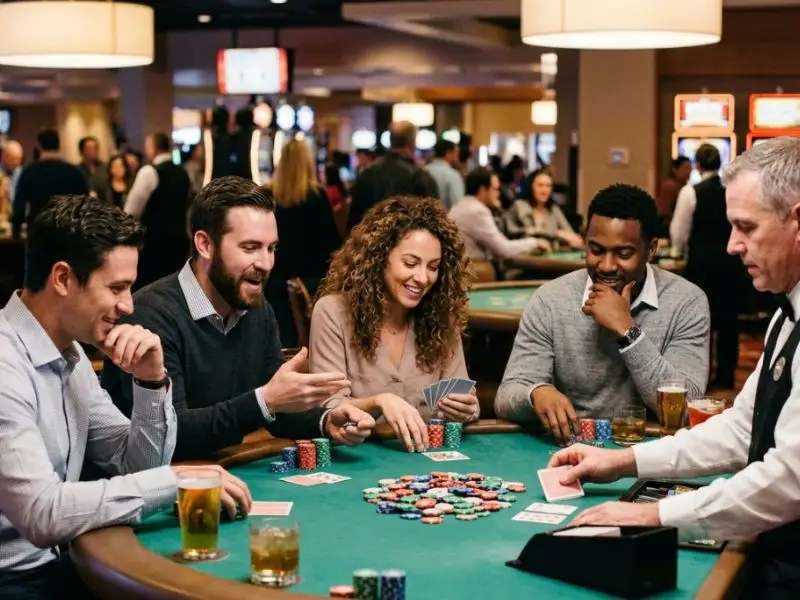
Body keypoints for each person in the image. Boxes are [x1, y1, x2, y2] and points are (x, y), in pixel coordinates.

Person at [548, 137, 800, 599]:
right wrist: (623, 462)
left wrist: (651, 515)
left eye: (746, 227)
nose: (731, 246)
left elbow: (790, 480)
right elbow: (742, 429)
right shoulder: (788, 313)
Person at [0, 195, 250, 599]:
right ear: (62, 279)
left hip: (60, 565)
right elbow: (41, 513)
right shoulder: (4, 363)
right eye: (116, 287)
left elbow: (136, 465)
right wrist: (178, 479)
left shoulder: (71, 353)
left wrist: (151, 382)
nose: (128, 305)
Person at [102, 176, 374, 461]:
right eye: (250, 247)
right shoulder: (149, 315)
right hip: (161, 488)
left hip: (226, 472)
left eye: (271, 248)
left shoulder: (257, 308)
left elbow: (276, 412)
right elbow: (169, 436)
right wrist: (265, 400)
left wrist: (325, 421)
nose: (266, 263)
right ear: (205, 245)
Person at [495, 184, 710, 444]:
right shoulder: (550, 299)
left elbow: (685, 409)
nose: (606, 266)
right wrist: (536, 393)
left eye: (623, 253)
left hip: (651, 450)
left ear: (650, 250)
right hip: (570, 448)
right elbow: (507, 396)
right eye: (596, 250)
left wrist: (627, 331)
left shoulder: (687, 302)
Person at [310, 196, 479, 452]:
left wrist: (467, 409)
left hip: (428, 462)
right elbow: (329, 410)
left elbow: (464, 397)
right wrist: (379, 402)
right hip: (358, 459)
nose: (422, 278)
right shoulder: (333, 312)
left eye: (433, 267)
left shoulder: (442, 317)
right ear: (379, 258)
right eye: (410, 263)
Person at [671, 144, 746, 389]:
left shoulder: (691, 192)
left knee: (702, 322)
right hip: (731, 263)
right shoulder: (734, 190)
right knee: (728, 322)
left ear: (697, 165)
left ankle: (699, 378)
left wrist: (676, 253)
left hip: (701, 266)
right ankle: (726, 375)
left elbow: (679, 232)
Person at [266, 140, 342, 347]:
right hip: (312, 283)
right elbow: (332, 243)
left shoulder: (267, 196)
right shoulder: (317, 196)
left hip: (274, 282)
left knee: (280, 344)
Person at [124, 132, 192, 291]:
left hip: (154, 244)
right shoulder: (183, 172)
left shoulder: (149, 172)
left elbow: (131, 210)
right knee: (175, 289)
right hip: (179, 241)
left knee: (151, 291)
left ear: (152, 148)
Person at [346, 121, 439, 232]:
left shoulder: (367, 174)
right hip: (408, 244)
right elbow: (434, 222)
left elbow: (354, 221)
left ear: (390, 140)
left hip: (370, 243)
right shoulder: (421, 176)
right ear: (412, 142)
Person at [448, 167, 548, 262]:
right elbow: (504, 250)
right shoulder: (477, 211)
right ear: (483, 190)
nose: (498, 194)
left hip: (463, 269)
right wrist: (535, 242)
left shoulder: (459, 205)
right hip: (475, 272)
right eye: (495, 189)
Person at [12, 128, 88, 240]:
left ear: (39, 147)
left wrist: (16, 234)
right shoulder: (74, 172)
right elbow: (85, 204)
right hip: (67, 231)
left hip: (38, 232)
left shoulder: (30, 172)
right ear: (58, 146)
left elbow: (19, 206)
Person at [505, 168, 583, 248]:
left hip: (549, 258)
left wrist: (572, 239)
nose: (544, 190)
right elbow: (512, 234)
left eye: (548, 186)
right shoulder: (519, 206)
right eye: (540, 185)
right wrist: (556, 233)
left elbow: (571, 235)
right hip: (522, 257)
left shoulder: (554, 209)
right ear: (531, 186)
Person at [424, 139, 465, 210]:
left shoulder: (423, 171)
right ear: (448, 153)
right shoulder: (452, 175)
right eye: (456, 153)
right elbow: (457, 206)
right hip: (443, 218)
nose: (458, 158)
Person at [656, 156, 691, 236]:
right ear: (675, 169)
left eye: (690, 168)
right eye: (686, 168)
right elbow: (664, 211)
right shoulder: (670, 186)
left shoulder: (684, 186)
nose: (689, 171)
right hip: (668, 227)